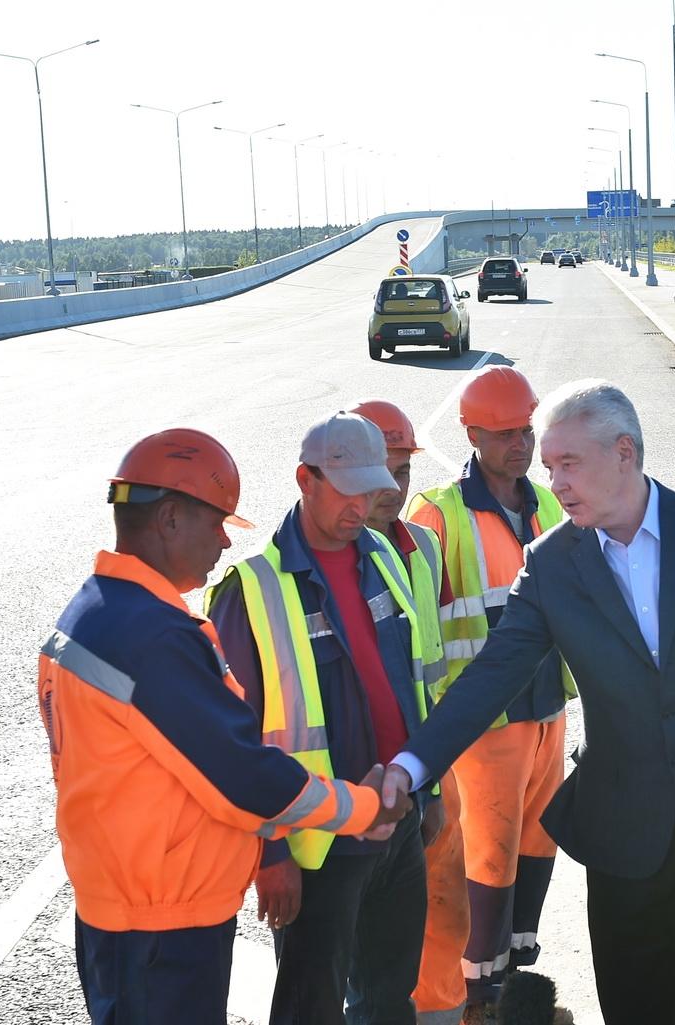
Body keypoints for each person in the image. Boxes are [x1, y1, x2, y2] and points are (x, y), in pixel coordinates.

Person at [384, 379, 675, 1025]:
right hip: (625, 832)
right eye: (550, 467)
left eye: (568, 463)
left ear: (624, 452)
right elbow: (491, 675)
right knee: (635, 1007)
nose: (555, 482)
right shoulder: (550, 563)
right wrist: (410, 767)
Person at [38, 428, 406, 1025]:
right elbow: (241, 775)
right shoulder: (152, 637)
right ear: (171, 518)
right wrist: (365, 810)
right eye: (216, 526)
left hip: (122, 907)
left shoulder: (91, 612)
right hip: (163, 925)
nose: (220, 544)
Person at [206, 412, 433, 1025]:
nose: (363, 504)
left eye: (371, 488)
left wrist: (426, 792)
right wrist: (271, 852)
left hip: (398, 819)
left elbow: (410, 684)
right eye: (348, 489)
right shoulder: (250, 587)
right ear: (305, 479)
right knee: (312, 1008)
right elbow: (235, 741)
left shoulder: (383, 554)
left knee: (391, 998)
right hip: (318, 842)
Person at [405, 366, 574, 1018]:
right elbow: (416, 630)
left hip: (544, 716)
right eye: (505, 434)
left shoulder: (549, 503)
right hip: (482, 729)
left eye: (526, 430)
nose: (520, 444)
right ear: (473, 434)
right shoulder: (439, 516)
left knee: (533, 853)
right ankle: (477, 1000)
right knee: (483, 867)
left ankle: (509, 990)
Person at [347, 399, 473, 1025]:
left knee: (443, 907)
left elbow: (436, 662)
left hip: (425, 758)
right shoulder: (335, 560)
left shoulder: (421, 546)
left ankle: (440, 1014)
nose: (393, 489)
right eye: (381, 474)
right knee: (363, 945)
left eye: (402, 473)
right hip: (358, 774)